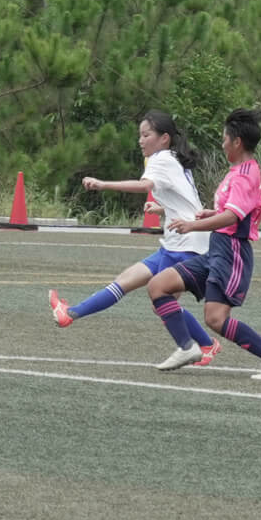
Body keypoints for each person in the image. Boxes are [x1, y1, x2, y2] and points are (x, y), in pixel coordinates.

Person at [47, 111, 221, 366]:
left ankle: (191, 346)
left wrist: (103, 184)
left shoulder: (161, 159)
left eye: (146, 135)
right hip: (178, 242)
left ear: (164, 138)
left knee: (161, 302)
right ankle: (70, 314)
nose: (140, 140)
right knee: (126, 280)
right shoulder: (174, 157)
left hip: (187, 244)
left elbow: (144, 187)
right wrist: (162, 209)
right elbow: (186, 201)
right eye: (140, 135)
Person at [144, 108, 261, 380]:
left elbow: (233, 217)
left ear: (237, 142)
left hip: (232, 252)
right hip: (217, 249)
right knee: (158, 286)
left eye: (225, 139)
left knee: (215, 319)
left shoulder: (246, 174)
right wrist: (211, 214)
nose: (222, 144)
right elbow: (235, 212)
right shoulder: (237, 171)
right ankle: (187, 347)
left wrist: (192, 225)